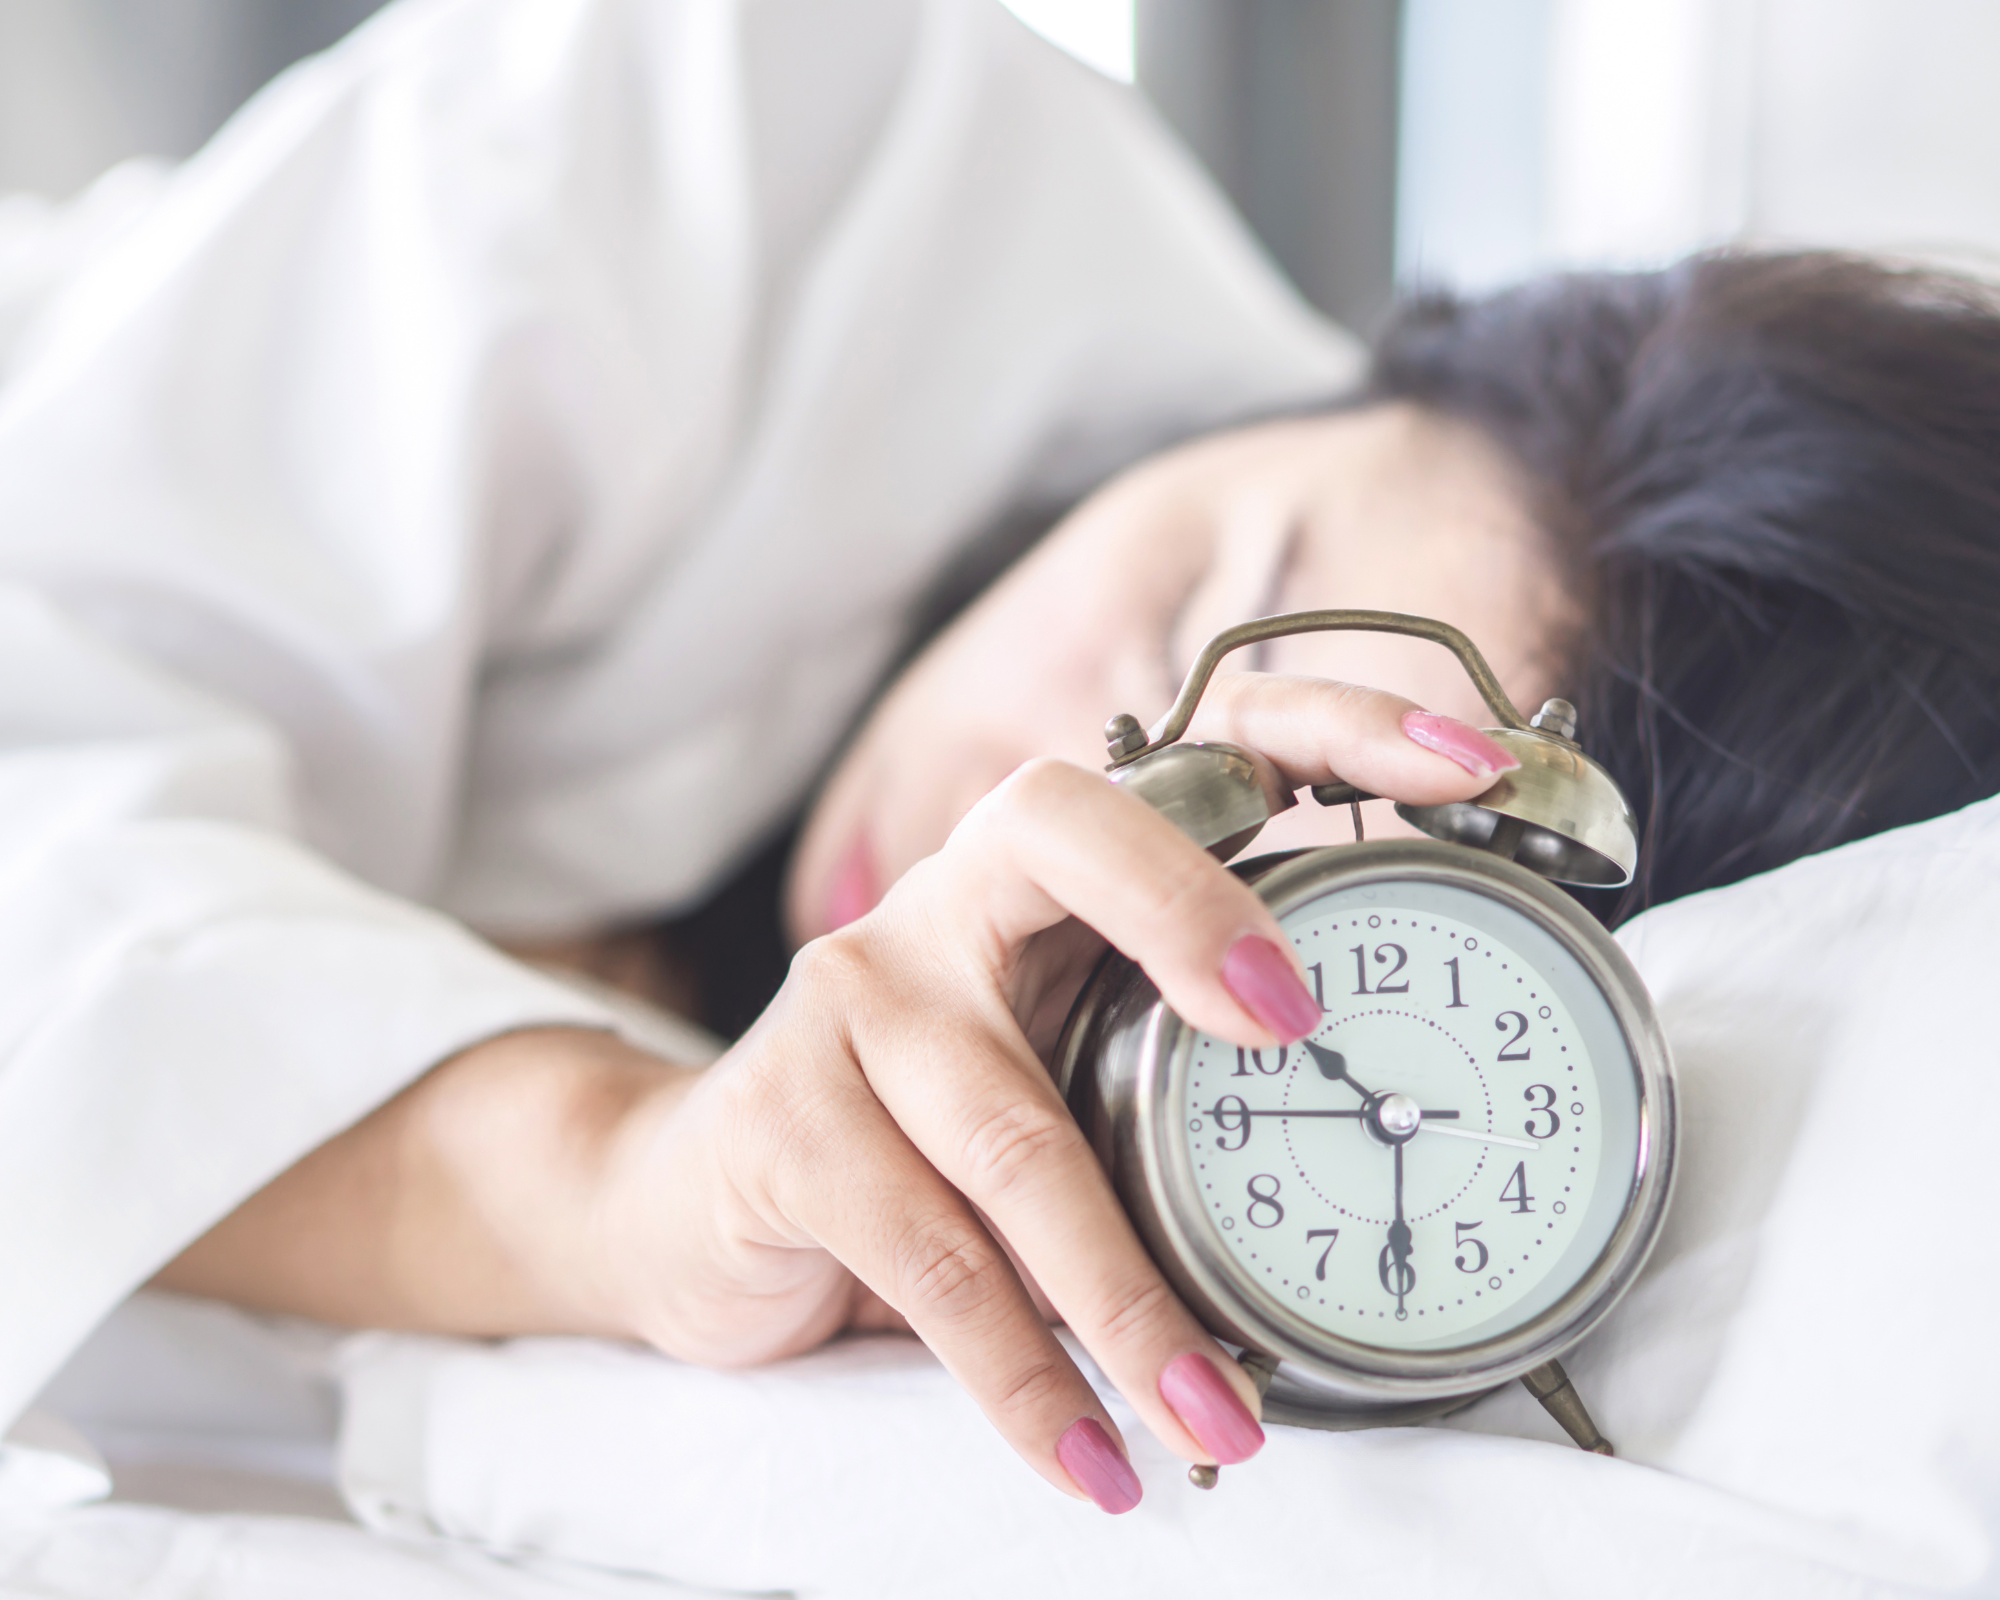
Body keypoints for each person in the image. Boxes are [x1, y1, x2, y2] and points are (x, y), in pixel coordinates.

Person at [5, 0, 2000, 1527]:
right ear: (1347, 375)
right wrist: (604, 1176)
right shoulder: (794, 126)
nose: (1031, 812)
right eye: (1202, 608)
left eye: (1260, 870)